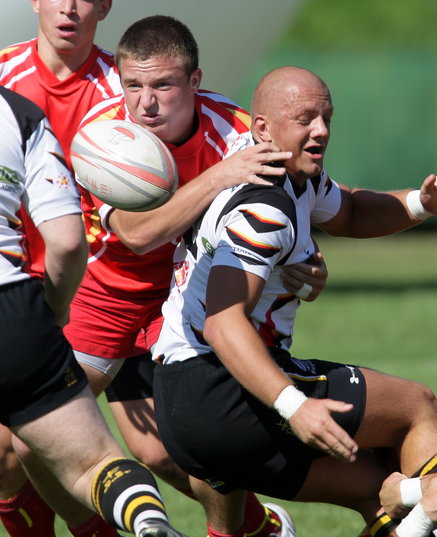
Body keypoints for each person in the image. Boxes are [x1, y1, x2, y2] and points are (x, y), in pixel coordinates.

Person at [150, 65, 437, 537]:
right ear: (263, 129)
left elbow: (348, 210)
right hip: (221, 389)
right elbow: (222, 323)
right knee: (416, 406)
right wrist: (293, 405)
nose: (321, 130)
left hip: (181, 401)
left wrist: (420, 203)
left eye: (326, 117)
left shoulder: (293, 178)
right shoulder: (266, 206)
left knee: (383, 494)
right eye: (305, 118)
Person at [9, 13, 317, 537]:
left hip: (192, 292)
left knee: (180, 448)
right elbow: (138, 233)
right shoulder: (101, 135)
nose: (146, 102)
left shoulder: (239, 132)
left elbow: (302, 199)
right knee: (32, 437)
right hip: (112, 294)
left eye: (163, 85)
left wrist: (303, 257)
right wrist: (218, 178)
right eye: (134, 85)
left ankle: (248, 530)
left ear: (194, 82)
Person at [0, 85, 188, 537]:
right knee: (93, 465)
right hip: (13, 310)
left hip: (128, 303)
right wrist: (54, 312)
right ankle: (148, 521)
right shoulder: (16, 112)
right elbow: (67, 242)